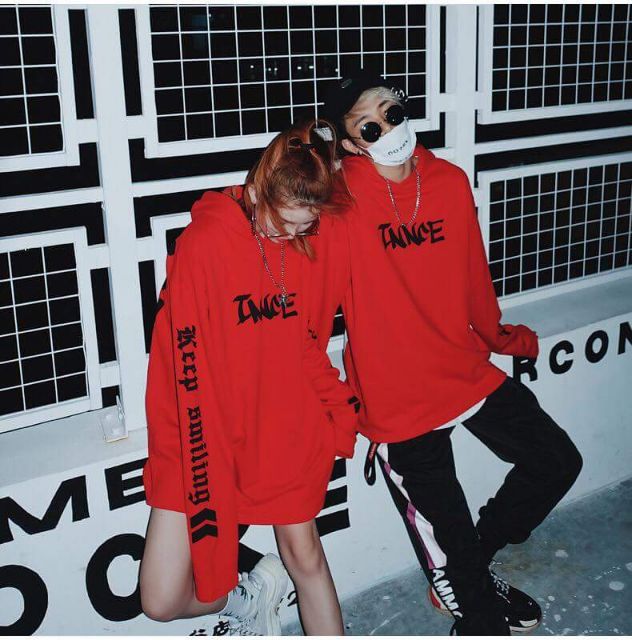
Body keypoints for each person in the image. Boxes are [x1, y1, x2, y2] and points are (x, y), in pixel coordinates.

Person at [323, 71, 583, 635]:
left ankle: (470, 565)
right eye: (369, 126)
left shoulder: (448, 182)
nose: (388, 128)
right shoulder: (337, 200)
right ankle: (468, 584)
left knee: (556, 461)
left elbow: (473, 279)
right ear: (349, 143)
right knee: (480, 615)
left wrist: (501, 338)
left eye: (392, 112)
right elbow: (313, 299)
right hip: (396, 398)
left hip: (461, 367)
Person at [140, 119, 359, 636]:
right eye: (284, 224)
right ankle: (249, 594)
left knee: (305, 556)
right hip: (204, 434)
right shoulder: (207, 242)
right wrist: (194, 448)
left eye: (304, 227)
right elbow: (181, 363)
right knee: (161, 599)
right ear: (257, 191)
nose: (292, 237)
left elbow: (305, 344)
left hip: (284, 428)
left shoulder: (307, 239)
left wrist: (339, 409)